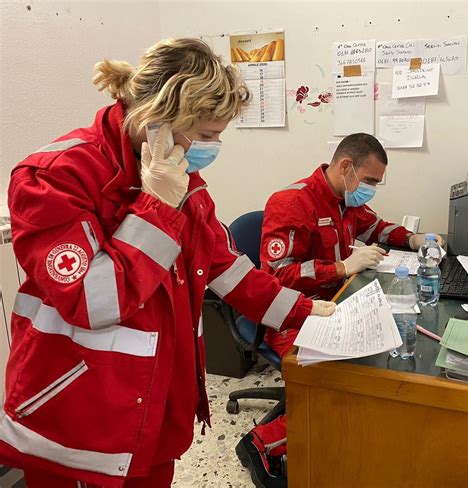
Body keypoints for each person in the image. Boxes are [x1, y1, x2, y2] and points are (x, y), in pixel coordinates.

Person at [0, 38, 336, 488]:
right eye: (205, 134)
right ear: (155, 119)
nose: (213, 146)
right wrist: (156, 207)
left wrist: (308, 311)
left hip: (155, 403)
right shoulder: (56, 176)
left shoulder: (180, 176)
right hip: (80, 412)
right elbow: (95, 301)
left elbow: (227, 269)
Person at [237, 133, 444, 488]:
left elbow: (377, 226)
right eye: (370, 181)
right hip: (295, 314)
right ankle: (262, 443)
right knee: (347, 387)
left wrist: (412, 238)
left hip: (337, 304)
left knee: (381, 364)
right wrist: (342, 268)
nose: (372, 189)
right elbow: (274, 275)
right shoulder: (292, 202)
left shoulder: (344, 200)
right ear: (346, 166)